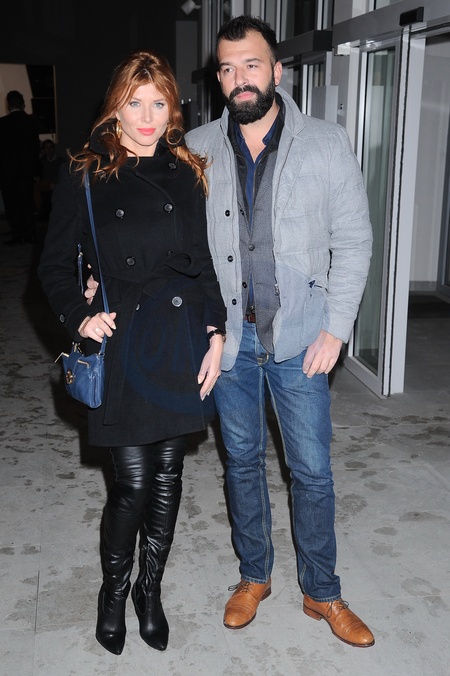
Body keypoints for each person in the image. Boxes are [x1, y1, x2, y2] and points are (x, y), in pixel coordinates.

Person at [185, 16, 375, 647]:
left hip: (301, 342)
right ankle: (254, 576)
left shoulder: (325, 142)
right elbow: (178, 246)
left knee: (312, 471)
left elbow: (354, 241)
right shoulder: (197, 148)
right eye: (228, 68)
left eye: (252, 65)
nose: (241, 78)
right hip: (228, 344)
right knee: (240, 463)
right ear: (218, 78)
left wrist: (337, 328)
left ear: (277, 70)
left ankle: (322, 590)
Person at [38, 50, 227, 656]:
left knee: (168, 475)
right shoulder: (85, 173)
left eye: (158, 104)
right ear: (114, 108)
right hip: (123, 342)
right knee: (133, 483)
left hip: (178, 337)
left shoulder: (187, 171)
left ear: (173, 110)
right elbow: (52, 266)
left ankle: (151, 591)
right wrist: (80, 316)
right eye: (134, 103)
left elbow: (202, 262)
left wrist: (217, 334)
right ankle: (113, 592)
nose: (146, 118)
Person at [0, 90, 40, 244]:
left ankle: (18, 234)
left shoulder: (2, 123)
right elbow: (35, 149)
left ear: (8, 105)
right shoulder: (31, 122)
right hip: (26, 171)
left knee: (12, 204)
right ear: (22, 103)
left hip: (8, 172)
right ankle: (30, 233)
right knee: (27, 203)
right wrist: (36, 171)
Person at [34, 138, 64, 220]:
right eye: (47, 148)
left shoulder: (60, 161)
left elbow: (62, 174)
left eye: (51, 147)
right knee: (36, 186)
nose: (49, 150)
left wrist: (55, 182)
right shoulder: (42, 161)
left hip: (56, 183)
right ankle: (39, 211)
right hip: (45, 183)